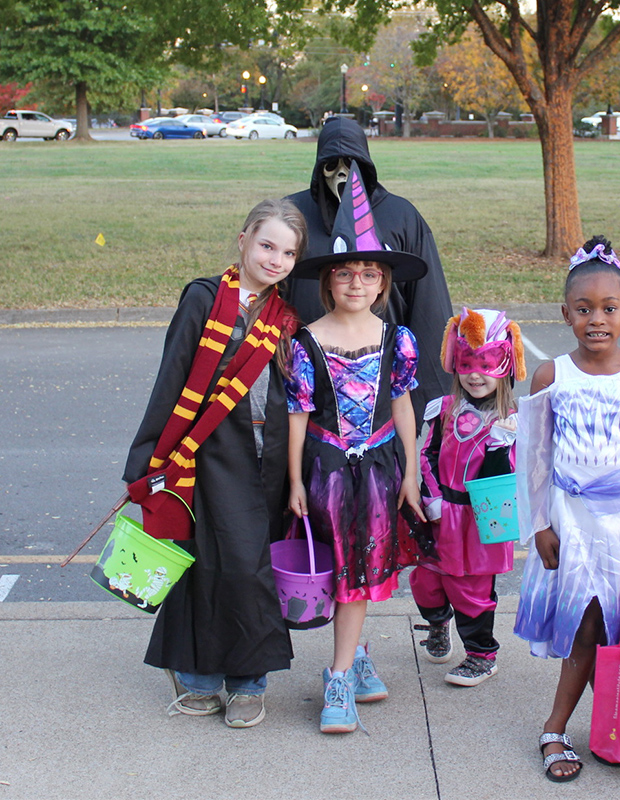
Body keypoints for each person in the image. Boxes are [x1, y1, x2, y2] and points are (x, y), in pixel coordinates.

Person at [124, 198, 305, 728]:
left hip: (266, 454)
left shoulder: (285, 315)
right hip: (205, 454)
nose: (275, 259)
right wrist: (149, 458)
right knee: (204, 564)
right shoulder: (204, 298)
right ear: (243, 238)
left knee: (252, 568)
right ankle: (201, 678)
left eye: (288, 252)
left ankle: (249, 681)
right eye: (267, 245)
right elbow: (173, 376)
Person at [513, 236, 620, 782]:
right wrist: (538, 523)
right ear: (565, 313)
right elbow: (532, 458)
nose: (597, 320)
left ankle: (616, 727)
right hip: (571, 525)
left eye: (610, 309)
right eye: (584, 309)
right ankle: (554, 728)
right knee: (586, 626)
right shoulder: (551, 377)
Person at [286, 161, 429, 734]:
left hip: (377, 475)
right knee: (340, 573)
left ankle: (342, 671)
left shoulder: (398, 339)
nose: (355, 283)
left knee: (361, 573)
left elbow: (402, 408)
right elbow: (298, 412)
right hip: (323, 474)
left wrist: (412, 475)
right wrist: (296, 480)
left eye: (368, 273)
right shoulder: (308, 342)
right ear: (328, 281)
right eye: (344, 273)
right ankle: (349, 665)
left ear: (383, 283)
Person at [284, 116, 451, 426]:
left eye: (352, 163)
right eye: (332, 164)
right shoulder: (292, 216)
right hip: (308, 379)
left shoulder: (401, 216)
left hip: (382, 381)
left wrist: (433, 404)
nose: (343, 173)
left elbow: (429, 305)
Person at [412, 307, 526, 686]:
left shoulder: (510, 423)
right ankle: (437, 623)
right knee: (426, 582)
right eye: (466, 363)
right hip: (441, 512)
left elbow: (505, 484)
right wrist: (430, 499)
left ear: (505, 365)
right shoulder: (443, 411)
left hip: (479, 521)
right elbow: (426, 456)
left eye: (487, 363)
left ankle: (481, 654)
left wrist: (499, 447)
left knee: (471, 590)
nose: (475, 374)